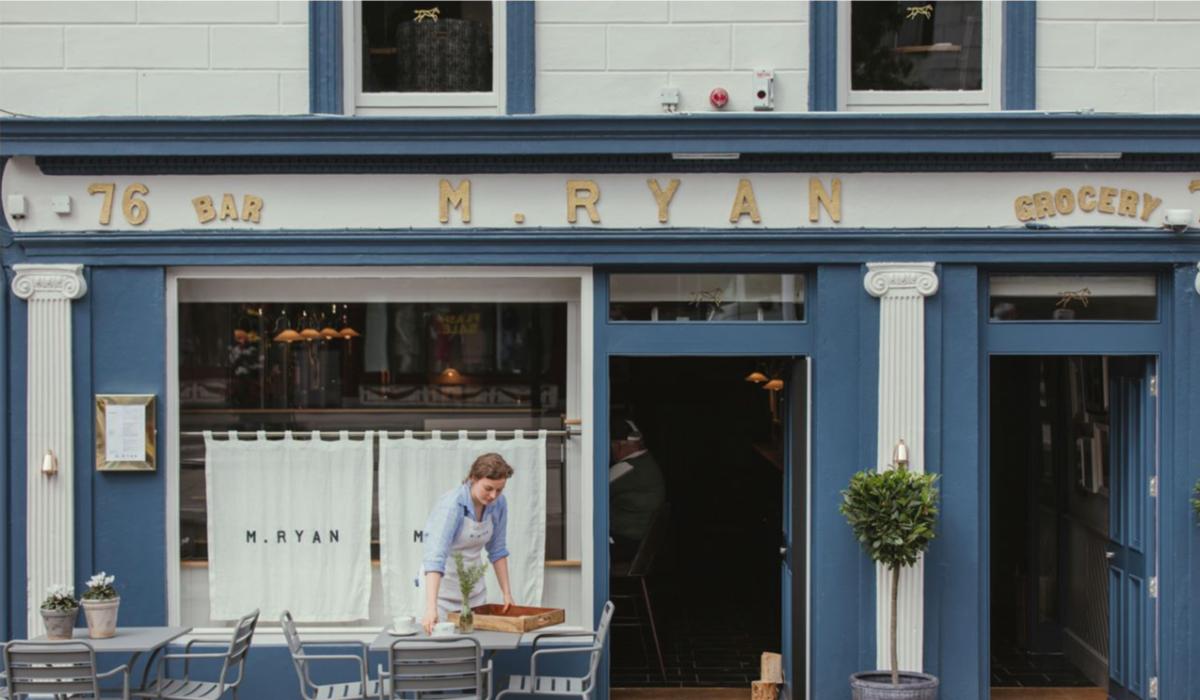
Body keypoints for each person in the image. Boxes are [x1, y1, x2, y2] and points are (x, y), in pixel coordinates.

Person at [421, 452, 516, 634]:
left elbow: (498, 550)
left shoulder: (499, 504)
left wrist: (507, 594)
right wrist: (431, 607)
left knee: (476, 647)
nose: (493, 496)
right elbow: (435, 557)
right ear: (473, 478)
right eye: (488, 488)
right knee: (442, 650)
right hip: (441, 594)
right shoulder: (452, 505)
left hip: (474, 592)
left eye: (499, 490)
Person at [609, 416, 666, 563]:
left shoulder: (626, 468)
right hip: (641, 544)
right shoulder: (647, 461)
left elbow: (590, 492)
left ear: (619, 445)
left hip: (626, 543)